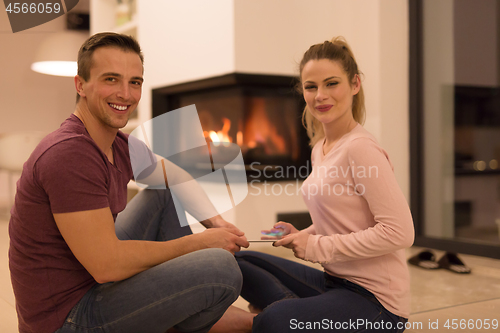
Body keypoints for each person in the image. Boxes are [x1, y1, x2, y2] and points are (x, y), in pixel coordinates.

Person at [8, 32, 254, 333]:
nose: (126, 94)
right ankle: (183, 315)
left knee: (164, 195)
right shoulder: (69, 153)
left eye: (134, 82)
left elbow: (174, 176)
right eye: (111, 79)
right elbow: (106, 265)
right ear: (80, 84)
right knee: (220, 269)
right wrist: (199, 244)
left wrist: (216, 224)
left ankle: (214, 315)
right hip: (67, 318)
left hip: (91, 282)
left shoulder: (119, 145)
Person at [235, 37, 415, 332]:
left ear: (355, 84)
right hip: (334, 283)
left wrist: (317, 246)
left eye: (332, 83)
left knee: (272, 320)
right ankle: (302, 314)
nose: (320, 95)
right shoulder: (321, 147)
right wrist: (301, 234)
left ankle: (290, 315)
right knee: (239, 263)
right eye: (311, 86)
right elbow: (345, 217)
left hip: (377, 304)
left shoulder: (361, 149)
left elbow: (400, 233)